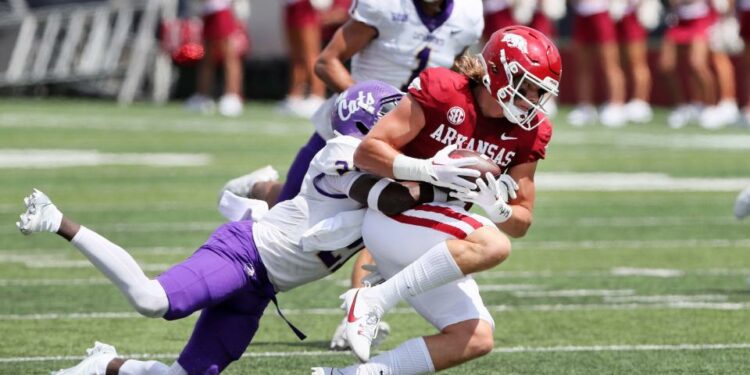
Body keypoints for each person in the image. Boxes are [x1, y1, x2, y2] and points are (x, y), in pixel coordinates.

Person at [20, 81, 447, 375]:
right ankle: (57, 218)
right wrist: (440, 178)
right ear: (362, 123)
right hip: (244, 252)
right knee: (152, 300)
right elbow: (392, 199)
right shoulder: (342, 152)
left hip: (264, 286)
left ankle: (104, 365)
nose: (401, 128)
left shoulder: (391, 175)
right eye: (389, 118)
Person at [221, 0, 485, 351]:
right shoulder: (385, 6)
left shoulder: (468, 14)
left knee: (381, 217)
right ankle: (260, 189)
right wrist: (368, 106)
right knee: (295, 211)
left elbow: (458, 76)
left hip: (412, 138)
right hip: (352, 129)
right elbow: (326, 61)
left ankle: (359, 314)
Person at [320, 25, 561, 368]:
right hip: (397, 214)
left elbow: (522, 221)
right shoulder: (444, 91)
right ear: (496, 72)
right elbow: (368, 153)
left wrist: (498, 209)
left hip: (437, 243)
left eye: (540, 92)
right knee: (493, 245)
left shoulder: (530, 131)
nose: (534, 100)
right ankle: (374, 299)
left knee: (475, 338)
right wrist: (429, 170)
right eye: (527, 87)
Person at [566, 0, 628, 128]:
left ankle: (616, 105)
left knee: (610, 63)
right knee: (582, 66)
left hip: (601, 12)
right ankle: (585, 106)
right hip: (581, 13)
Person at [661, 0, 719, 129]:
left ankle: (711, 107)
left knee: (697, 65)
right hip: (678, 21)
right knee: (666, 66)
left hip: (700, 20)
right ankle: (681, 107)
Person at [185, 0, 247, 117]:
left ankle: (232, 96)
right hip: (209, 11)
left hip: (221, 10)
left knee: (229, 55)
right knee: (207, 57)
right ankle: (202, 95)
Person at [612, 0, 662, 124]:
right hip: (617, 15)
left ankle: (641, 101)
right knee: (620, 61)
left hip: (634, 14)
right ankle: (620, 101)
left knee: (637, 62)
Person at [277, 0, 328, 118]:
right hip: (290, 5)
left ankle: (318, 95)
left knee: (311, 54)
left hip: (306, 6)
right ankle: (296, 96)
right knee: (296, 55)